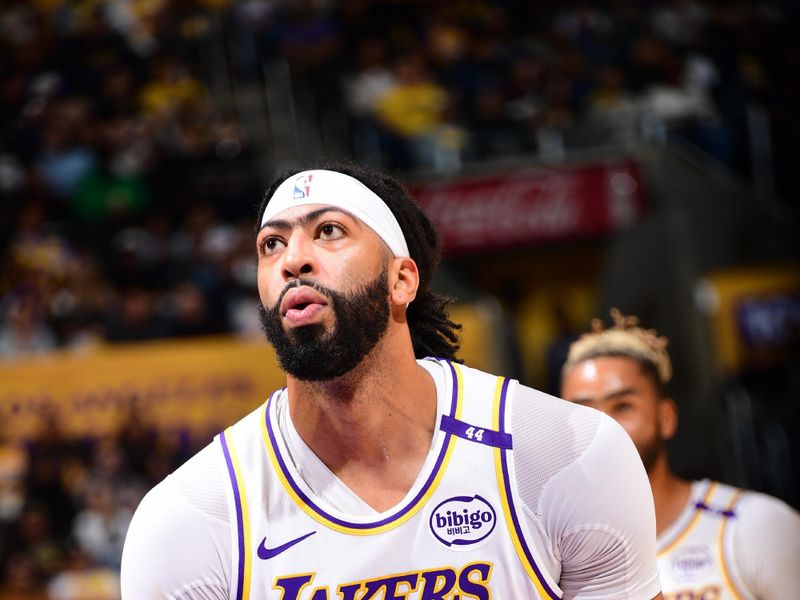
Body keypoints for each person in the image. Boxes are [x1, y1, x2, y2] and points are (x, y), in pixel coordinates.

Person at [121, 162, 663, 599]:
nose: (294, 260)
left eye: (328, 231)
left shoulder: (562, 453)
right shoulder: (192, 518)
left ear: (402, 279)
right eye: (271, 245)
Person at [560, 309, 800, 600]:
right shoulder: (553, 563)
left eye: (623, 406)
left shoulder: (755, 526)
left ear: (667, 418)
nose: (602, 427)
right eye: (582, 412)